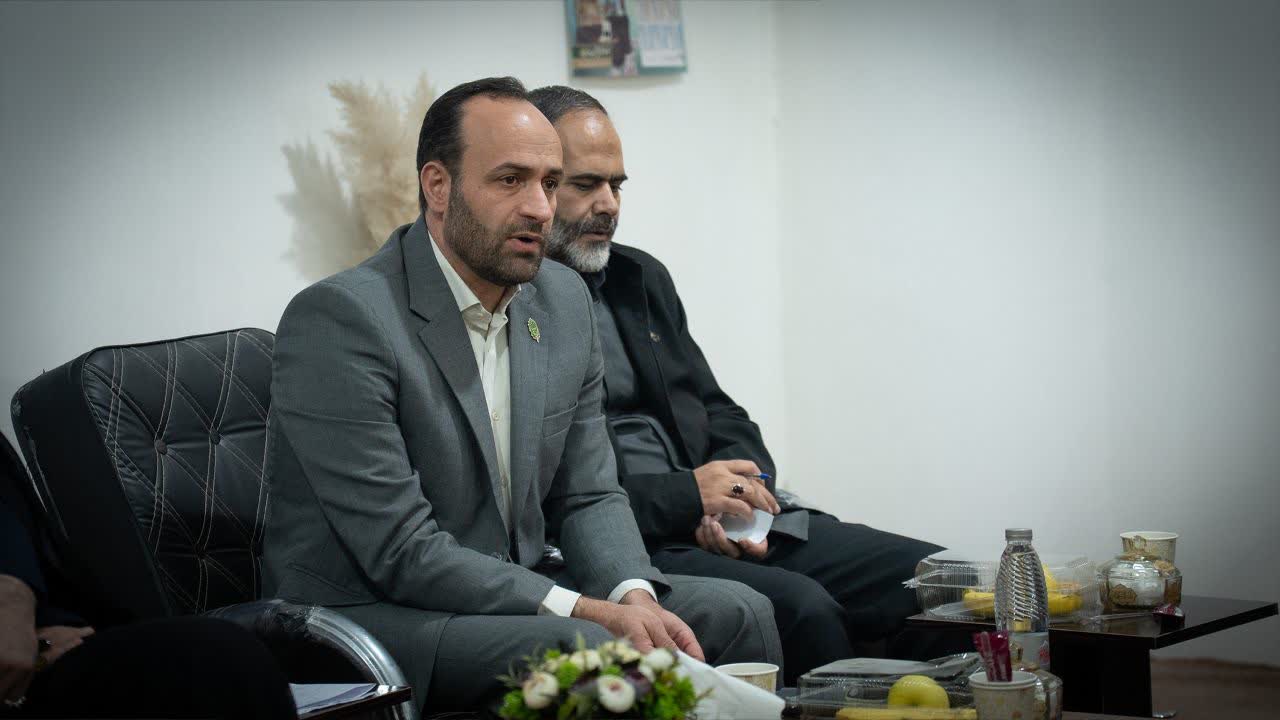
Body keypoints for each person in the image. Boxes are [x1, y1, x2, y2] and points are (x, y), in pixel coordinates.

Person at [263, 77, 781, 712]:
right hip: (375, 612)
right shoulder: (343, 319)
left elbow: (590, 493)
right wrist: (584, 608)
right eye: (511, 180)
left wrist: (632, 596)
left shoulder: (562, 300)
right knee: (594, 648)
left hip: (516, 592)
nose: (540, 208)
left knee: (739, 610)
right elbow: (401, 549)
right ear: (438, 186)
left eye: (550, 183)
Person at [528, 85, 948, 683]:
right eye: (586, 184)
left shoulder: (638, 276)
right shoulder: (519, 305)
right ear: (541, 186)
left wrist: (745, 495)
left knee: (932, 578)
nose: (609, 205)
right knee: (804, 609)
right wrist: (687, 497)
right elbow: (552, 493)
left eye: (617, 186)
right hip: (631, 540)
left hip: (719, 517)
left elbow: (717, 410)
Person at [0, 434, 295, 719]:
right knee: (223, 660)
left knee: (221, 661)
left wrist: (13, 597)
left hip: (45, 642)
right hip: (28, 664)